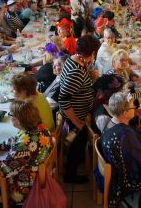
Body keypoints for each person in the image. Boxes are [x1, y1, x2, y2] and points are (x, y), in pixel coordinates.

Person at [0, 100, 54, 206]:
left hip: (24, 186)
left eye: (11, 114)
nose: (10, 117)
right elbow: (17, 139)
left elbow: (3, 171)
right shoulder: (41, 128)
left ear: (19, 120)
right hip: (38, 175)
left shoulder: (23, 145)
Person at [98, 92, 141, 208]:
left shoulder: (109, 122)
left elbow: (127, 140)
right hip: (123, 180)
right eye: (133, 107)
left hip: (113, 169)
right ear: (125, 113)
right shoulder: (126, 134)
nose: (135, 109)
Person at [59, 35, 100, 183]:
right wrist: (77, 122)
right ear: (93, 53)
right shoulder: (75, 72)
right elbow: (63, 100)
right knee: (78, 143)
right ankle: (70, 175)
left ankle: (78, 161)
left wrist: (90, 76)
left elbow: (78, 86)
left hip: (79, 113)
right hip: (75, 116)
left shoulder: (75, 59)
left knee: (79, 144)